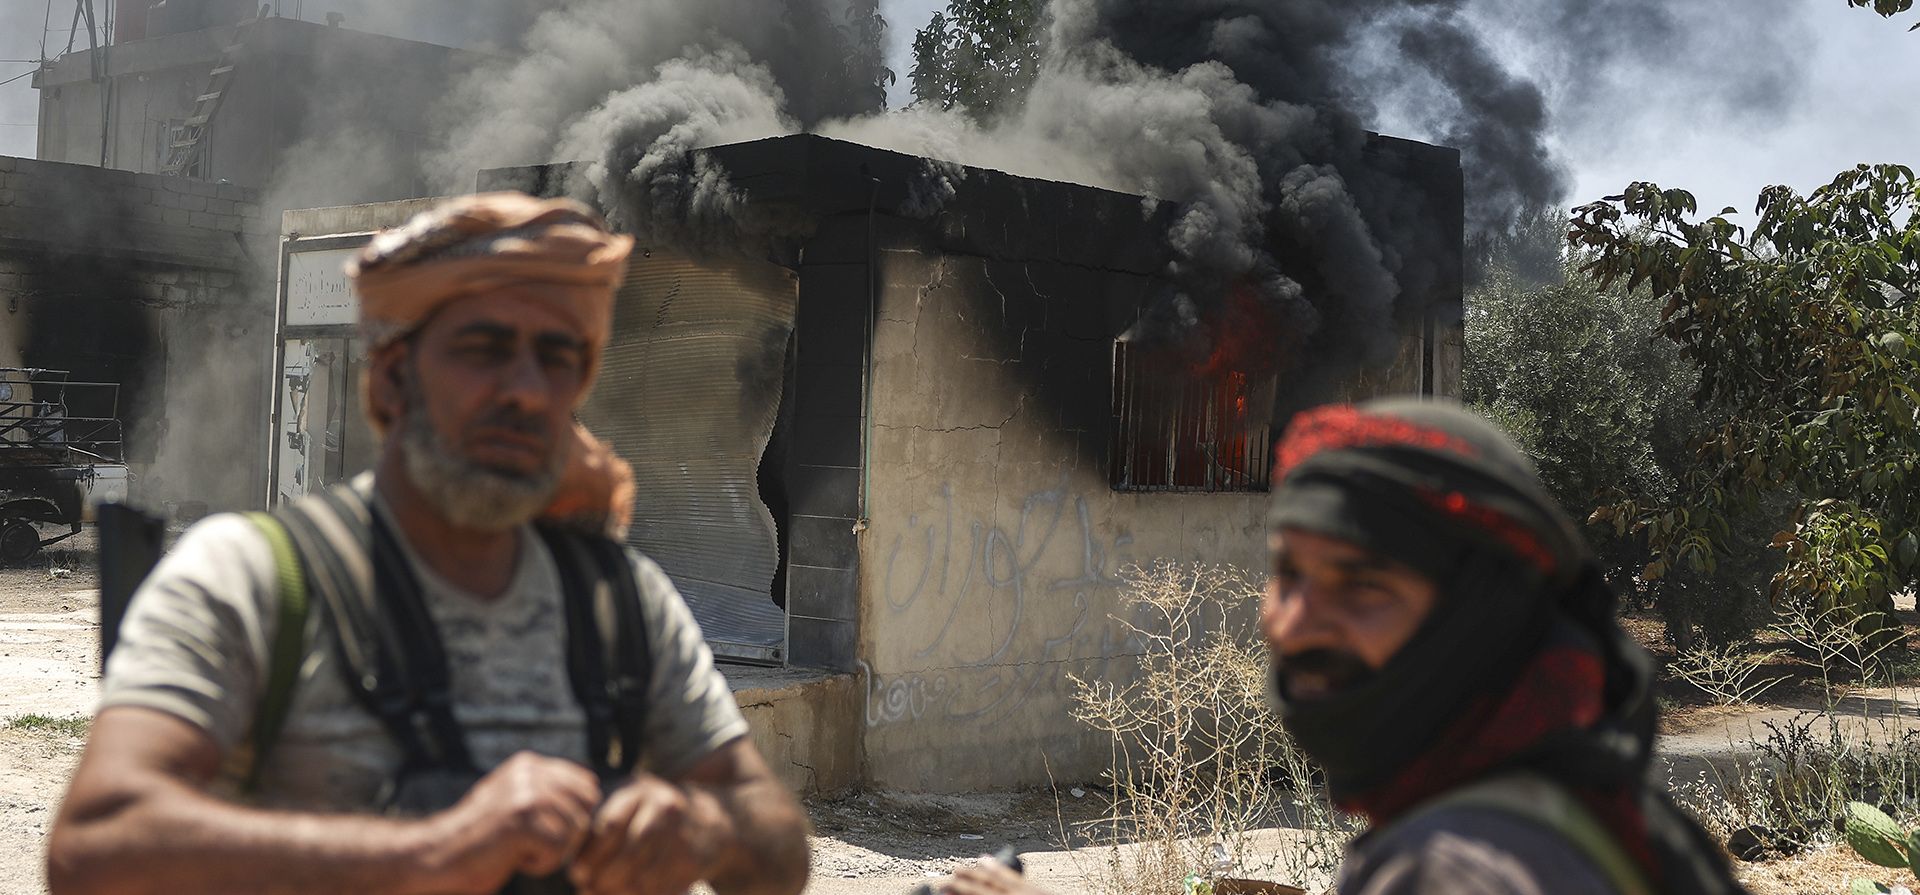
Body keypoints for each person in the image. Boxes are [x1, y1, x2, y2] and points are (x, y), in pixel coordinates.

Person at [46, 193, 811, 895]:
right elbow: (98, 844)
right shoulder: (249, 576)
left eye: (558, 357)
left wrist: (704, 830)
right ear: (388, 383)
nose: (526, 389)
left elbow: (777, 845)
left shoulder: (621, 599)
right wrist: (433, 851)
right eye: (483, 348)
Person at [940, 398, 1745, 895]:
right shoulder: (1578, 800)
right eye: (1287, 573)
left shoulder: (1457, 864)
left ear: (1482, 614)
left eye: (1363, 585)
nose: (1295, 622)